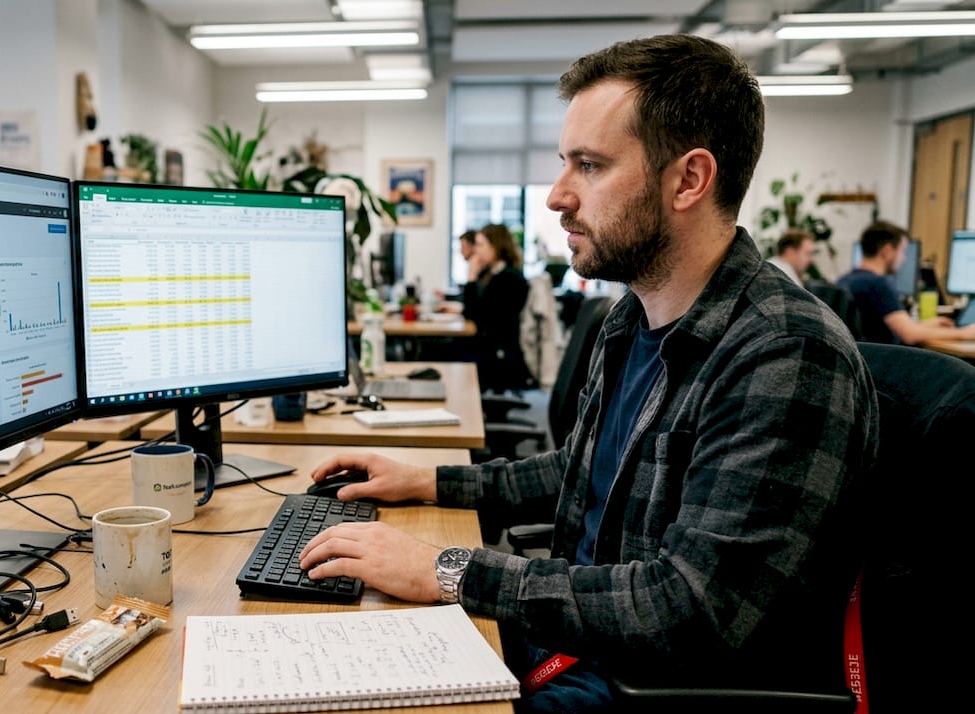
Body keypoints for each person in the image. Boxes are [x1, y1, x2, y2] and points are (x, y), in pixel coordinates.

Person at [299, 33, 876, 712]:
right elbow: (577, 469)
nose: (556, 196)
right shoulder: (631, 318)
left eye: (590, 166)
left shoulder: (784, 356)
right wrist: (424, 479)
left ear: (689, 179)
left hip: (643, 686)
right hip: (574, 641)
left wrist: (447, 568)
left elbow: (691, 608)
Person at [836, 220, 975, 345]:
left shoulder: (846, 280)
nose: (903, 259)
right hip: (884, 364)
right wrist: (965, 333)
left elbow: (891, 328)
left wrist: (925, 325)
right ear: (887, 251)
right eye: (902, 252)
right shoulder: (878, 284)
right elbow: (910, 335)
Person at [461, 223, 535, 393]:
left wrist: (471, 276)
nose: (476, 250)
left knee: (439, 353)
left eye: (480, 245)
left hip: (498, 355)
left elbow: (474, 315)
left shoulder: (509, 278)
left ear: (495, 246)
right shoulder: (492, 273)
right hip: (491, 347)